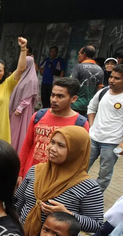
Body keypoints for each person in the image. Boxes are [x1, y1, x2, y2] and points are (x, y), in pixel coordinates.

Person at [15, 126, 104, 236]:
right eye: (52, 142)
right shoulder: (35, 171)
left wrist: (68, 214)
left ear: (76, 151)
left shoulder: (89, 186)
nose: (52, 148)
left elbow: (96, 224)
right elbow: (17, 203)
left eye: (61, 145)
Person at [18, 78, 89, 181]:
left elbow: (80, 159)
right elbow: (27, 146)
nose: (54, 100)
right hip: (31, 176)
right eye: (52, 95)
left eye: (60, 96)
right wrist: (20, 173)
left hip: (57, 180)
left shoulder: (80, 124)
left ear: (73, 99)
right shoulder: (38, 116)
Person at [87, 64, 123, 192]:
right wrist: (91, 127)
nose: (112, 80)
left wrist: (122, 144)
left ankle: (94, 197)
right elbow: (91, 107)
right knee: (81, 167)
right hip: (93, 138)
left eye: (117, 78)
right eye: (111, 77)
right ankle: (73, 192)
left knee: (104, 175)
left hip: (112, 143)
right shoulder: (103, 92)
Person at [9, 56, 39, 153]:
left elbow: (29, 96)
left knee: (18, 129)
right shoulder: (21, 76)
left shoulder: (31, 79)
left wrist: (20, 108)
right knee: (13, 129)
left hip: (22, 110)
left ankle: (16, 150)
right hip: (16, 107)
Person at [71, 45, 104, 116]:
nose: (78, 55)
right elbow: (99, 89)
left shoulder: (79, 67)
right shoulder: (100, 69)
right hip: (90, 107)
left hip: (76, 104)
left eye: (79, 53)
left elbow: (71, 84)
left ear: (84, 55)